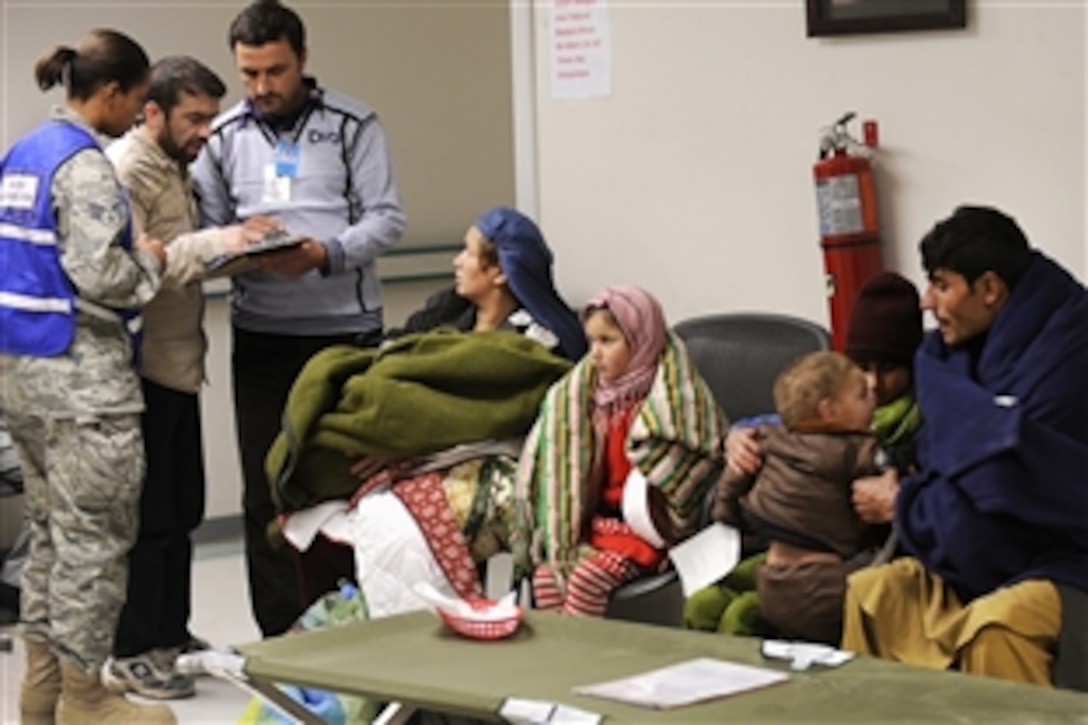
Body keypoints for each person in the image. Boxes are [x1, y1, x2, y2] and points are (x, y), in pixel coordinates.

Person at [190, 0, 406, 637]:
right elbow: (206, 230)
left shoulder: (353, 124)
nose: (261, 88)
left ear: (303, 60)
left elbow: (387, 218)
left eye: (275, 72)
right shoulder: (224, 135)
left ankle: (352, 627)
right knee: (267, 492)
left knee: (346, 488)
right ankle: (282, 638)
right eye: (249, 74)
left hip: (344, 333)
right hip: (261, 338)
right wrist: (238, 240)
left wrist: (324, 254)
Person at [0, 29, 176, 724]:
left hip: (22, 380)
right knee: (94, 544)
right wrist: (153, 259)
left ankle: (41, 689)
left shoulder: (21, 155)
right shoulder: (85, 165)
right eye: (136, 102)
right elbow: (104, 274)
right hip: (83, 391)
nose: (137, 116)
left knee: (49, 534)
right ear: (109, 93)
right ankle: (86, 696)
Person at [841, 205, 1088, 686]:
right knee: (873, 592)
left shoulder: (1069, 355)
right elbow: (949, 464)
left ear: (990, 289)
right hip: (981, 548)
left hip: (1068, 561)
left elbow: (1003, 493)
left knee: (998, 625)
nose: (927, 303)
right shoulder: (943, 358)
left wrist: (904, 501)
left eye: (941, 285)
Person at [103, 56, 279, 700]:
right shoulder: (127, 169)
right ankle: (132, 650)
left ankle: (169, 635)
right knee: (148, 519)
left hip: (180, 366)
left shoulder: (178, 167)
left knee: (182, 510)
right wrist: (222, 241)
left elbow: (186, 254)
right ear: (153, 112)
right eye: (195, 117)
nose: (208, 130)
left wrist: (248, 246)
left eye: (211, 116)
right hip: (140, 369)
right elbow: (133, 269)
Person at [513, 286, 725, 616]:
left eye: (607, 341)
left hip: (645, 535)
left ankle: (588, 660)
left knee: (585, 580)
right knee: (545, 577)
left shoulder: (670, 398)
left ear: (640, 341)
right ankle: (562, 658)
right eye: (592, 342)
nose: (595, 354)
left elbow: (687, 471)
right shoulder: (586, 398)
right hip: (598, 528)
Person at [690, 351, 880, 644]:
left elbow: (733, 483)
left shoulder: (767, 439)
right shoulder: (858, 451)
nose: (874, 394)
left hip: (772, 571)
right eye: (862, 394)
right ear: (829, 410)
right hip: (823, 584)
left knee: (734, 615)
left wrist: (727, 517)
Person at [387, 205, 586, 360]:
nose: (456, 262)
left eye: (469, 253)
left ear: (500, 272)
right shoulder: (447, 308)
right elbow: (399, 342)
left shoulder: (536, 343)